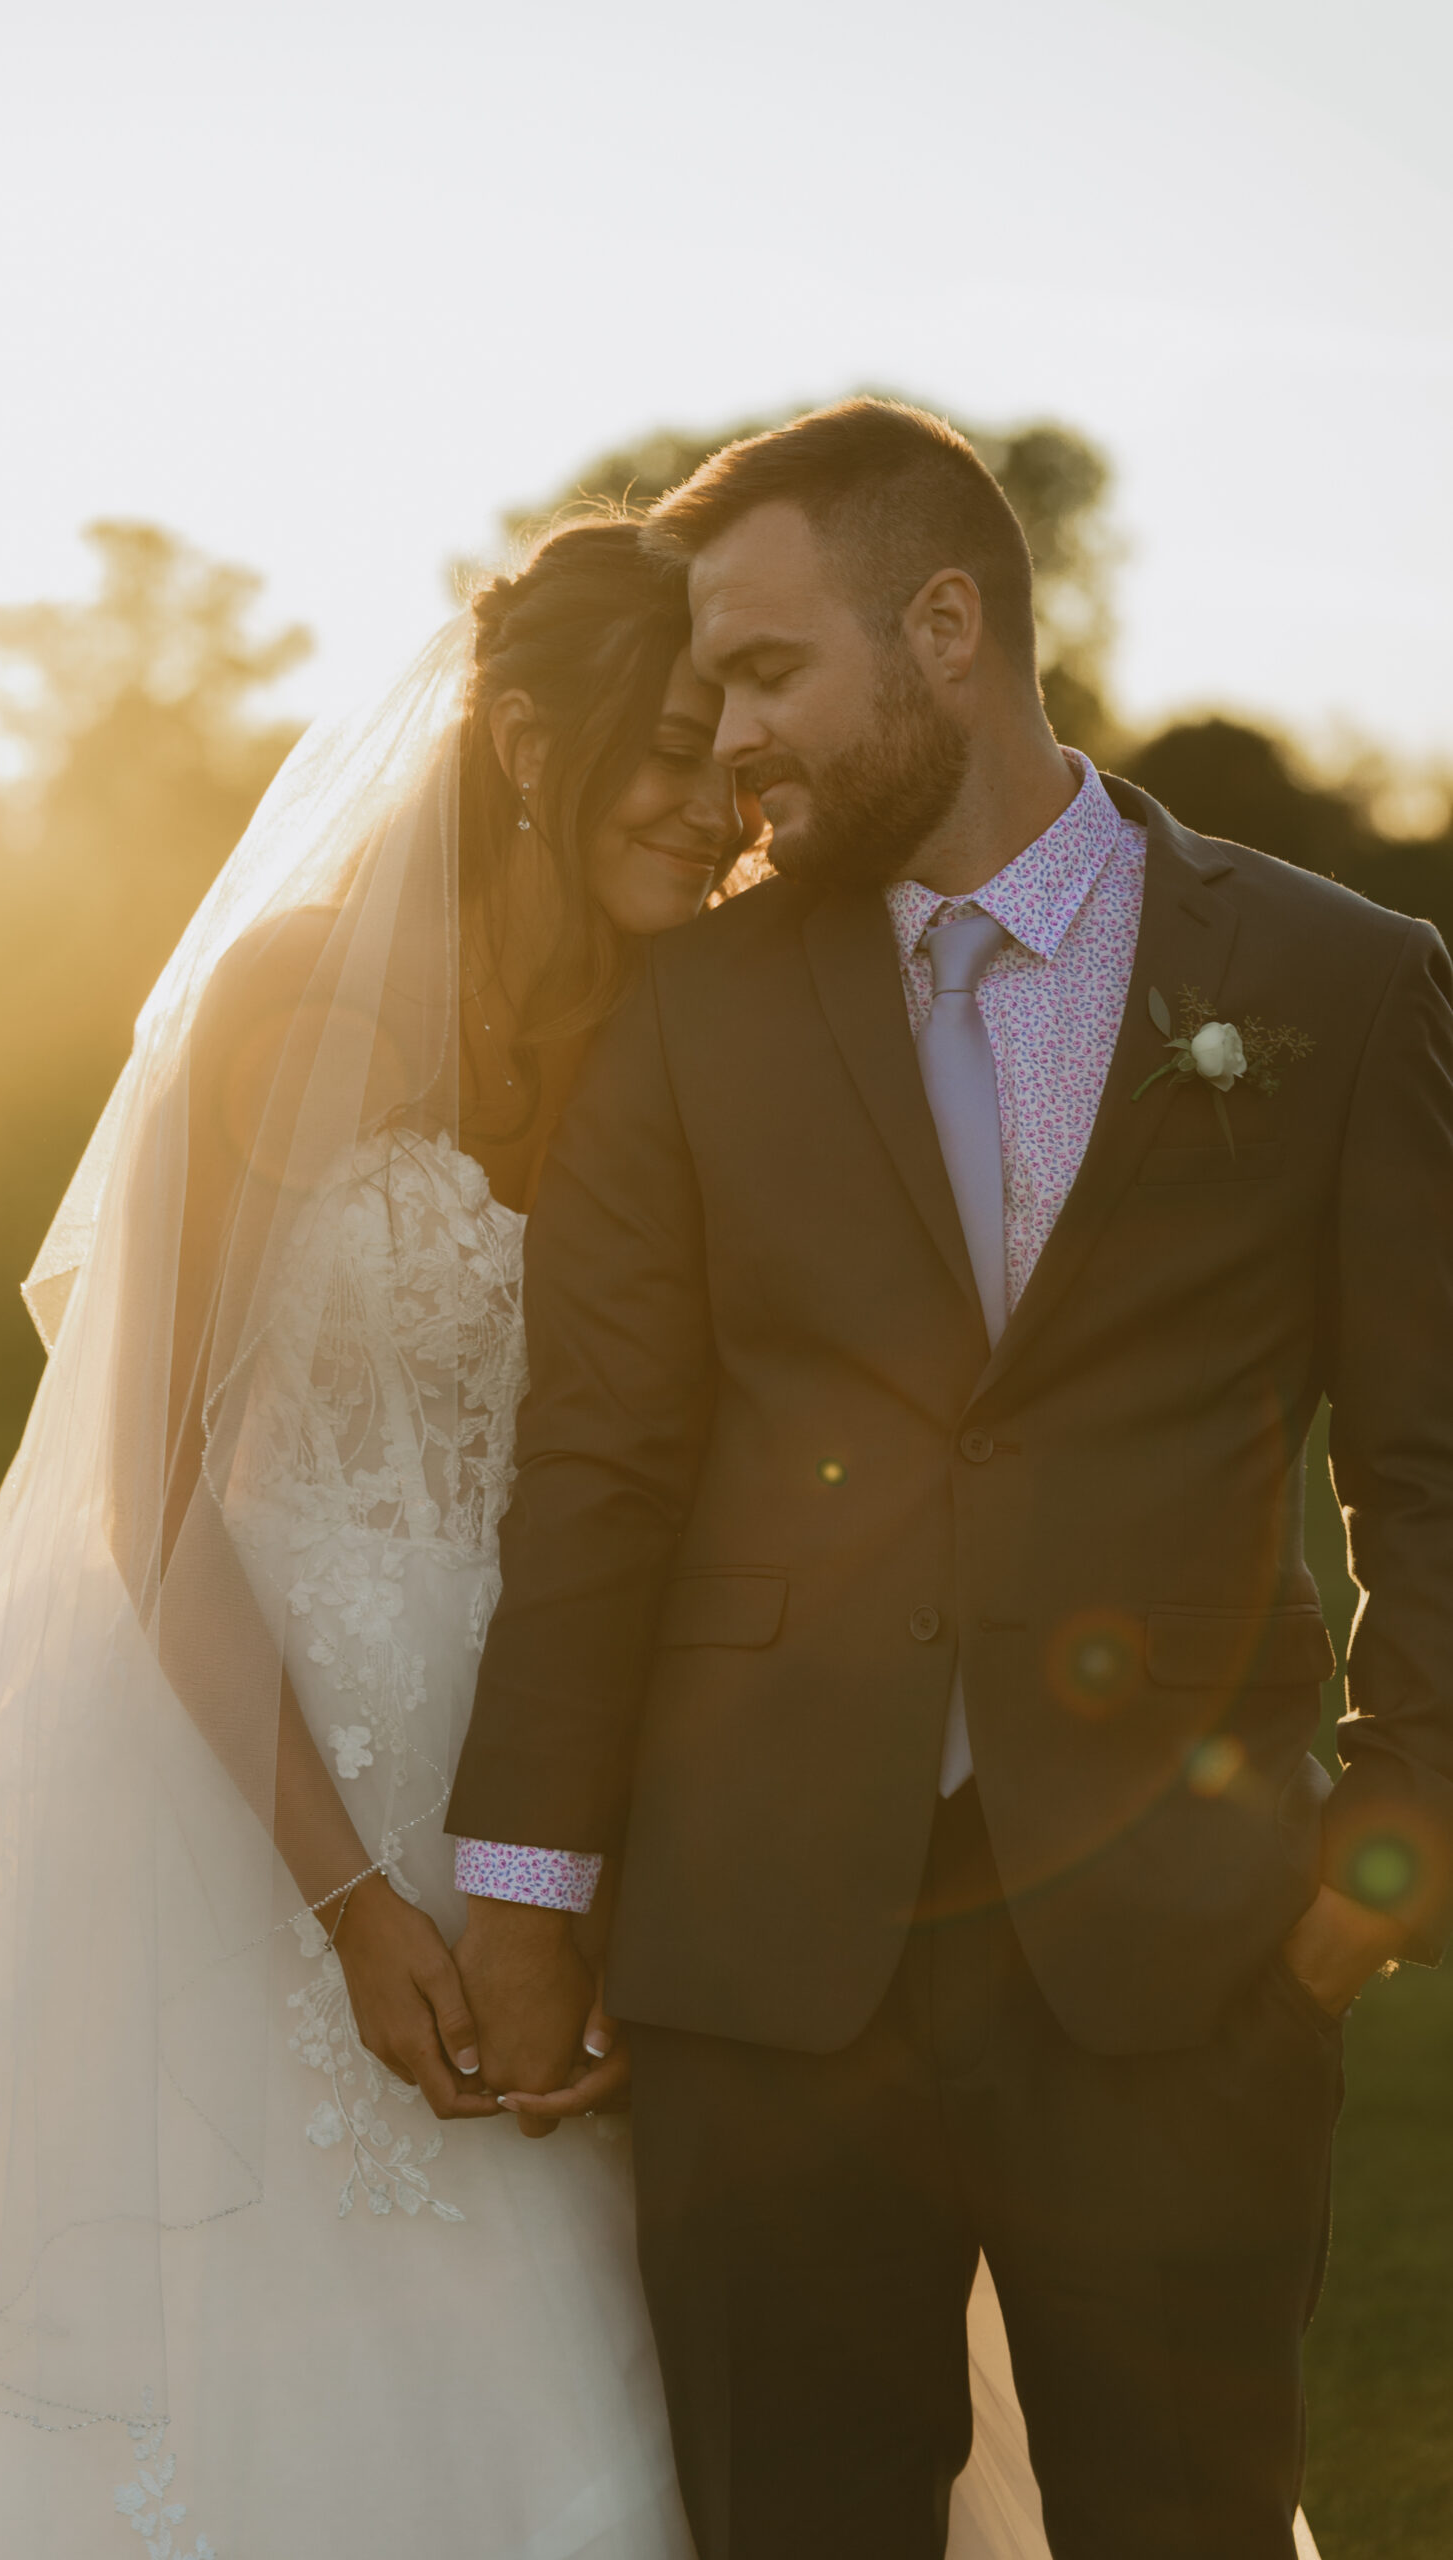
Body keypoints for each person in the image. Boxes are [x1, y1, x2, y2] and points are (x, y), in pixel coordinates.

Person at [0, 516, 1051, 2556]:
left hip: (579, 1789)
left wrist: (647, 1867)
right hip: (247, 1779)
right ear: (528, 739)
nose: (722, 809)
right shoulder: (289, 1000)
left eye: (742, 757)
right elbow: (149, 1483)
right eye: (675, 746)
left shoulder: (692, 1028)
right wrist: (353, 1895)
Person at [448, 402, 1453, 2558]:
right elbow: (597, 1465)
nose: (725, 735)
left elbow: (1425, 1457)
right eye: (711, 689)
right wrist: (525, 1885)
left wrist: (1394, 1841)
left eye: (764, 672)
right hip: (758, 1960)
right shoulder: (686, 1010)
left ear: (945, 629)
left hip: (1184, 1951)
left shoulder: (1329, 983)